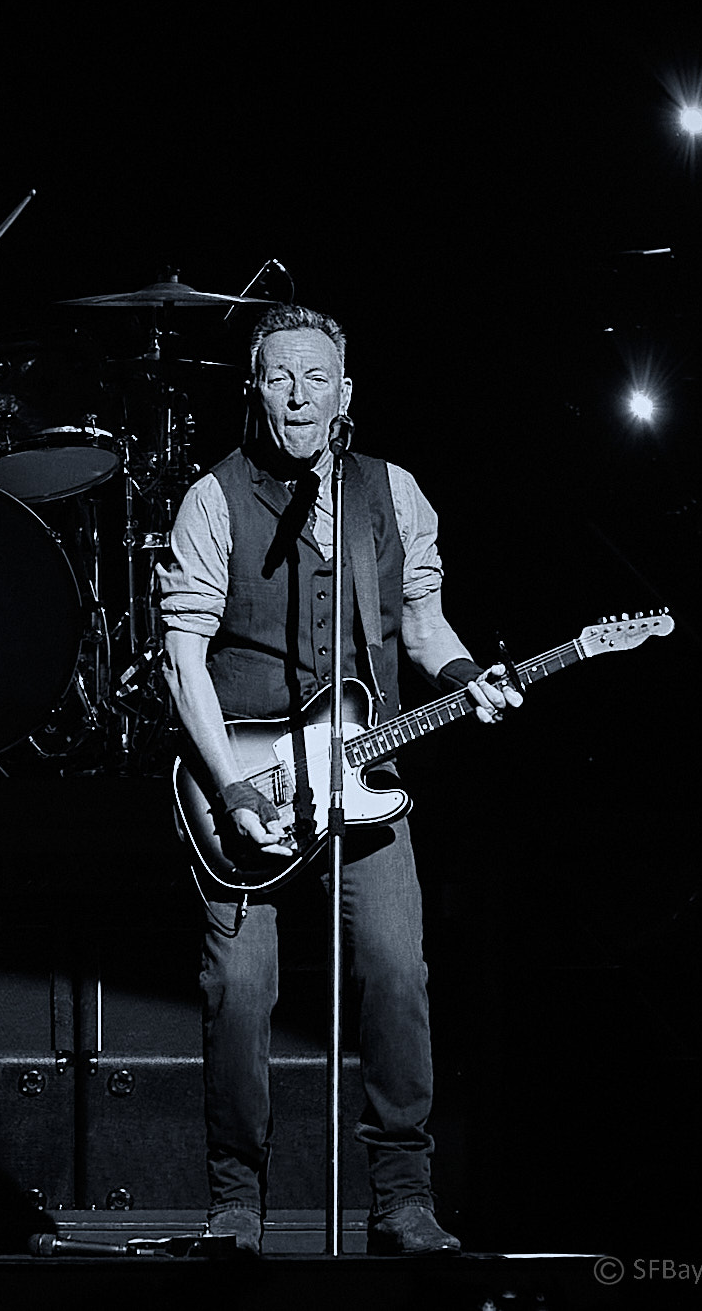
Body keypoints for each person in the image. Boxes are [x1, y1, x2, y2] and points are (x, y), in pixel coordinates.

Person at [158, 303, 522, 1257]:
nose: (298, 395)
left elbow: (423, 623)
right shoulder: (212, 498)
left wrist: (461, 677)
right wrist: (231, 788)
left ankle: (402, 1198)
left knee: (400, 975)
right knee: (240, 985)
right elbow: (179, 659)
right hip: (247, 784)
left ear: (346, 394)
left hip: (367, 777)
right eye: (279, 377)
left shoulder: (391, 493)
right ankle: (237, 1203)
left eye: (317, 378)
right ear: (253, 390)